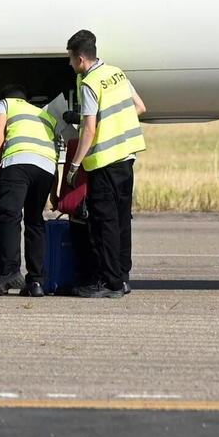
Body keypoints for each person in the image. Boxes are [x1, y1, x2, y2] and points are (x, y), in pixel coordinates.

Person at [62, 30, 146, 299]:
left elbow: (89, 130)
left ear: (81, 58)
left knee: (103, 224)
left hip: (105, 162)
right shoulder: (116, 73)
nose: (70, 64)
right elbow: (140, 107)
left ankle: (108, 283)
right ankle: (122, 277)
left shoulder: (89, 83)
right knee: (122, 221)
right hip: (127, 157)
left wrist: (74, 165)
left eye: (71, 59)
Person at [0, 84, 60, 298]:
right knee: (35, 221)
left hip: (18, 163)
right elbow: (54, 152)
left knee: (9, 216)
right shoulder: (43, 114)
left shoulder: (5, 104)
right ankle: (36, 281)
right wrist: (54, 192)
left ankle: (9, 271)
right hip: (46, 168)